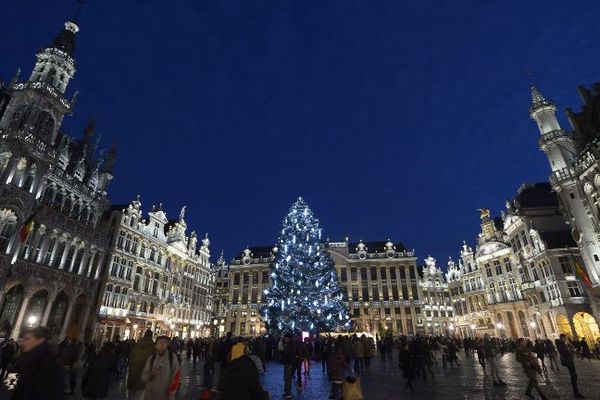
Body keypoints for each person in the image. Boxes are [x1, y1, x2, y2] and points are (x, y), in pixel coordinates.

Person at [11, 326, 64, 400]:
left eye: (28, 339)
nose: (23, 342)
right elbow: (12, 384)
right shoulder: (25, 358)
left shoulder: (51, 365)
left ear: (40, 340)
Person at [127, 329, 155, 400]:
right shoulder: (153, 347)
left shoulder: (137, 344)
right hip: (144, 379)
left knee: (132, 395)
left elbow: (130, 358)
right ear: (151, 336)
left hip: (133, 376)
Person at [556, 334, 585, 398]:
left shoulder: (561, 344)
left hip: (569, 360)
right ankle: (576, 393)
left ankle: (576, 392)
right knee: (573, 376)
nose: (565, 339)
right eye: (564, 338)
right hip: (568, 361)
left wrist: (570, 349)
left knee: (574, 376)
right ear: (562, 338)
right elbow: (565, 352)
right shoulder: (561, 344)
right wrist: (571, 350)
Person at [281, 333, 296, 400]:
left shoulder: (290, 345)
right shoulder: (289, 344)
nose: (284, 339)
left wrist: (283, 350)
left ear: (288, 338)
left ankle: (288, 393)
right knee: (287, 378)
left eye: (285, 338)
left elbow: (287, 353)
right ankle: (287, 392)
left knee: (287, 378)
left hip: (288, 362)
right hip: (288, 362)